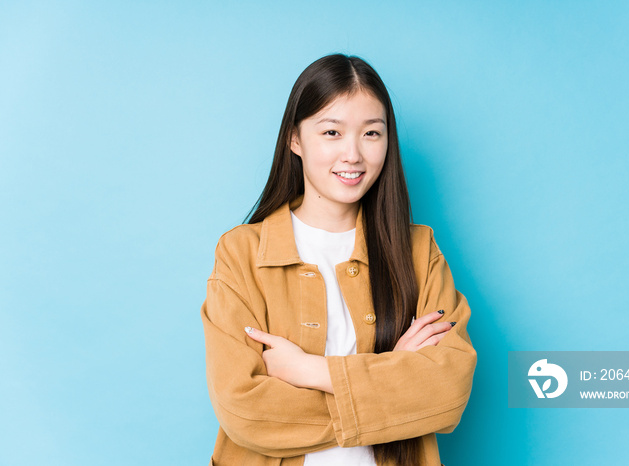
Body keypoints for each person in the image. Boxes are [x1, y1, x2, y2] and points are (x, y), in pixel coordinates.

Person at [201, 53, 477, 466]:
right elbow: (244, 410)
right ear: (295, 139)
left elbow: (449, 387)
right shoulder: (241, 254)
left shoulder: (419, 252)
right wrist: (396, 378)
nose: (353, 154)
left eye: (371, 133)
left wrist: (310, 371)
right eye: (331, 132)